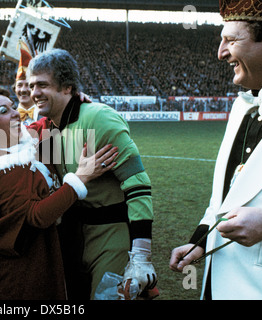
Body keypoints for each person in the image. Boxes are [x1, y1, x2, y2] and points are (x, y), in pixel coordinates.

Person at [0, 86, 118, 299]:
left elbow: (45, 124)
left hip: (41, 259)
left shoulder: (20, 144)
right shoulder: (2, 169)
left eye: (12, 106)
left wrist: (68, 101)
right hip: (19, 276)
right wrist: (81, 177)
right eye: (4, 111)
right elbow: (37, 216)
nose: (16, 112)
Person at [26, 48, 157, 300]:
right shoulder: (50, 128)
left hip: (110, 236)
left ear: (67, 87)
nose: (34, 93)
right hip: (72, 238)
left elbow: (137, 183)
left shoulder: (99, 117)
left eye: (42, 85)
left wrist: (141, 255)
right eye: (32, 86)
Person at [169, 0, 262, 300]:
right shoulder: (242, 108)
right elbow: (224, 196)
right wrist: (201, 241)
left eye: (231, 40)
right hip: (218, 281)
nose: (220, 52)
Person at [13, 40, 40, 126]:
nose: (23, 90)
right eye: (19, 85)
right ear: (15, 89)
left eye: (28, 85)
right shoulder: (8, 118)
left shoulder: (48, 115)